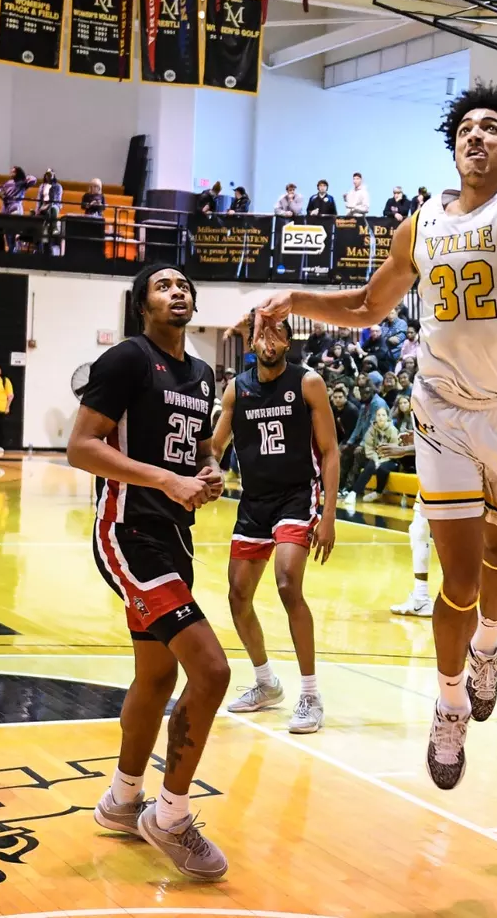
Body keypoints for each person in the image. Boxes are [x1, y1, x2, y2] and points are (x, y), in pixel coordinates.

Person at [254, 0, 497, 790]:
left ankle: (487, 651)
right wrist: (298, 302)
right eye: (468, 127)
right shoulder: (421, 224)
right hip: (440, 404)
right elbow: (367, 308)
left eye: (494, 129)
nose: (479, 135)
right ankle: (445, 706)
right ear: (455, 146)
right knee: (462, 571)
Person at [66, 265, 229, 879]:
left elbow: (197, 450)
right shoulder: (127, 360)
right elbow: (81, 446)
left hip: (175, 538)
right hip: (128, 534)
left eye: (184, 284)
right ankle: (171, 815)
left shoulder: (203, 372)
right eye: (163, 286)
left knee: (157, 675)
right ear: (142, 305)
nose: (177, 291)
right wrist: (167, 480)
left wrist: (208, 470)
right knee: (211, 670)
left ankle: (122, 800)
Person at [208, 312, 340, 735]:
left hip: (298, 495)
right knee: (237, 594)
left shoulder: (307, 383)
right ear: (252, 344)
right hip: (254, 502)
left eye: (277, 333)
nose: (268, 339)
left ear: (287, 343)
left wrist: (330, 516)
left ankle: (311, 694)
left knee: (287, 584)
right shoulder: (236, 389)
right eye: (261, 333)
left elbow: (331, 450)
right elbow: (214, 446)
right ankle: (266, 684)